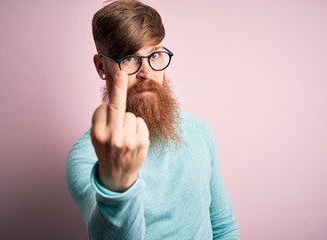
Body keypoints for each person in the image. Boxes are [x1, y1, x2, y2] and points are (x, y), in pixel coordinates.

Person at [66, 0, 240, 239]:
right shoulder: (86, 157)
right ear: (100, 66)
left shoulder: (199, 131)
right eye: (128, 58)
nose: (146, 73)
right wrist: (118, 186)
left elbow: (223, 227)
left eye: (155, 54)